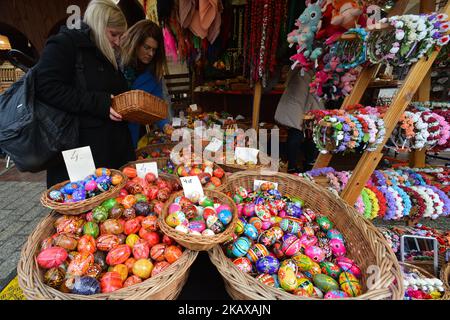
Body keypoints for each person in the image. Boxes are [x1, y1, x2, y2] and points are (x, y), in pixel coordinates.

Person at [34, 0, 135, 188]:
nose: (117, 41)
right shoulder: (65, 44)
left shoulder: (103, 50)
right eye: (114, 34)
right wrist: (99, 103)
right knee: (83, 210)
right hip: (80, 153)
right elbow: (45, 87)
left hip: (112, 151)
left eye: (121, 36)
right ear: (98, 24)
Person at [119, 19, 172, 149]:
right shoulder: (116, 61)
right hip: (109, 127)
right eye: (147, 47)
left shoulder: (153, 73)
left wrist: (166, 125)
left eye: (154, 50)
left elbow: (157, 103)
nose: (150, 54)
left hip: (132, 132)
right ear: (135, 43)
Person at [274, 68, 323, 173]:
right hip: (301, 104)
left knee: (300, 133)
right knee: (303, 133)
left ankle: (295, 165)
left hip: (299, 104)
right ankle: (301, 164)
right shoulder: (307, 69)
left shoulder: (298, 68)